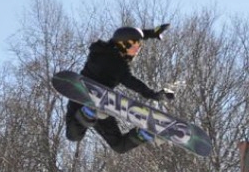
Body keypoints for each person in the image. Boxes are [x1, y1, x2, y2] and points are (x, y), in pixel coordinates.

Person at [65, 24, 174, 153]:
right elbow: (133, 83)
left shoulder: (99, 51)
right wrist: (154, 95)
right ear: (124, 44)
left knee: (74, 135)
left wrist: (149, 33)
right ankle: (143, 133)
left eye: (139, 47)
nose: (137, 51)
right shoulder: (118, 65)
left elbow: (122, 36)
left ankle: (89, 112)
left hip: (97, 103)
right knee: (119, 146)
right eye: (135, 47)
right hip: (84, 97)